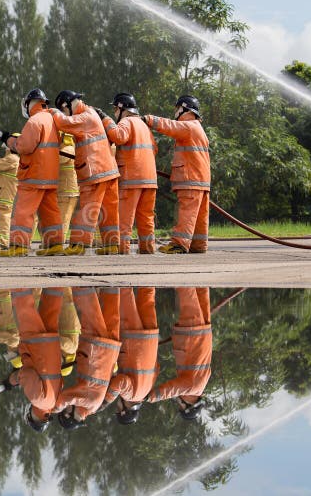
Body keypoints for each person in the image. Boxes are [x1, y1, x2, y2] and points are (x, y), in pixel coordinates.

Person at [49, 90, 121, 255]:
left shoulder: (85, 116)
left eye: (62, 109)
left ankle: (78, 244)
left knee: (88, 208)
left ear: (66, 105)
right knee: (108, 211)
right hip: (108, 170)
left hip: (94, 171)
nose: (63, 113)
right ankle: (111, 245)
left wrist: (51, 111)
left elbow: (64, 123)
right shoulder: (90, 113)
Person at [0, 89, 65, 257]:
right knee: (50, 211)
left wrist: (10, 141)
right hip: (50, 176)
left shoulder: (34, 121)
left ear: (30, 103)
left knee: (23, 210)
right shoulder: (52, 119)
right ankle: (54, 244)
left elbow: (24, 146)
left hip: (33, 174)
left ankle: (18, 245)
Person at [142, 95, 210, 254]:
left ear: (184, 109)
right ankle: (198, 245)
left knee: (186, 212)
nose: (175, 112)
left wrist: (149, 119)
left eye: (177, 108)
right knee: (199, 216)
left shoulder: (189, 126)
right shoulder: (198, 128)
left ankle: (179, 244)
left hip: (190, 178)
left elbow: (169, 126)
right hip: (201, 179)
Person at [97, 93, 158, 254]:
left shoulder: (126, 121)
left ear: (121, 108)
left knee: (124, 218)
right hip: (150, 179)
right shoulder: (144, 126)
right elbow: (154, 149)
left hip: (132, 178)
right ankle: (147, 249)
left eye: (115, 109)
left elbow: (119, 136)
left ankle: (122, 250)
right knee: (146, 218)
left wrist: (105, 119)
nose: (114, 113)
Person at [54, 287, 121, 429]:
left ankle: (112, 279)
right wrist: (54, 408)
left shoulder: (93, 407)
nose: (67, 407)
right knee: (89, 308)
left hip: (109, 349)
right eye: (65, 411)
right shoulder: (87, 404)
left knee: (111, 310)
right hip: (96, 350)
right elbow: (65, 398)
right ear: (68, 415)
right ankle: (80, 279)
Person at [3, 288, 65, 432]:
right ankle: (18, 277)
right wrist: (11, 381)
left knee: (51, 303)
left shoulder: (54, 400)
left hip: (51, 346)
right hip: (36, 346)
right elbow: (26, 374)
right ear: (34, 417)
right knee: (23, 307)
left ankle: (58, 276)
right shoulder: (38, 400)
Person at [147, 287, 212, 421]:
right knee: (187, 293)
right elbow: (173, 389)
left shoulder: (201, 385)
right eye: (181, 407)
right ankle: (183, 271)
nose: (178, 403)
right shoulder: (192, 388)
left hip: (202, 333)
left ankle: (199, 270)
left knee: (201, 292)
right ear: (188, 405)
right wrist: (151, 397)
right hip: (192, 336)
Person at [103, 287, 159, 424]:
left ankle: (147, 267)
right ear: (124, 410)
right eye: (117, 408)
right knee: (124, 295)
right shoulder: (131, 395)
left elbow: (157, 367)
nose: (117, 405)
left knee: (147, 297)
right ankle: (119, 268)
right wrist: (106, 401)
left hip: (150, 338)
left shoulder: (146, 390)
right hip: (133, 340)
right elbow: (120, 382)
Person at [57, 132, 80, 240]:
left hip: (68, 191)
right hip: (64, 189)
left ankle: (59, 240)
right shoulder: (65, 149)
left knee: (63, 217)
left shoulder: (68, 149)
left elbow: (59, 159)